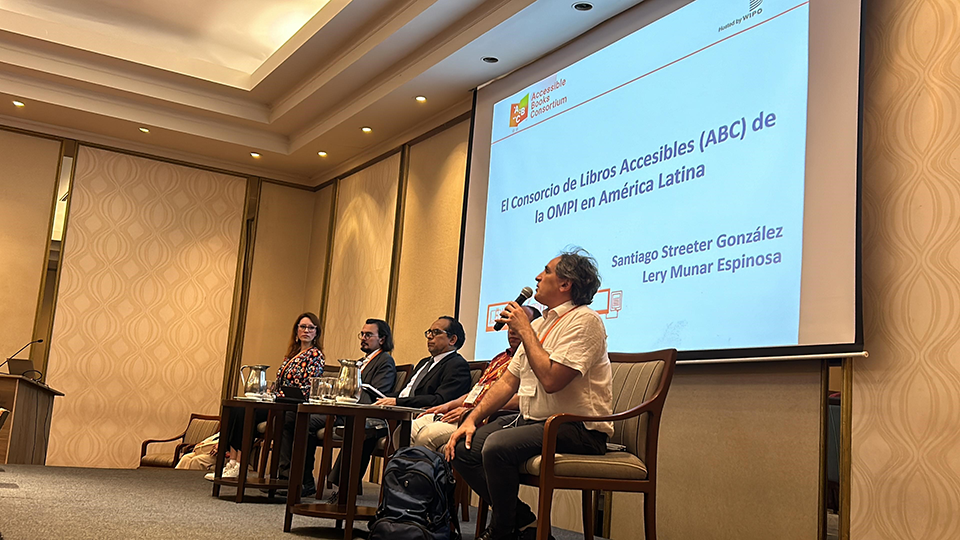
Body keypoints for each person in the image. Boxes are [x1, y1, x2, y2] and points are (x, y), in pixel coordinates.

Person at [446, 249, 613, 540]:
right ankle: (521, 522)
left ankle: (501, 531)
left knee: (497, 447)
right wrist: (471, 419)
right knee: (464, 447)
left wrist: (525, 330)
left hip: (577, 429)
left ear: (565, 285)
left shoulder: (586, 321)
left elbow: (551, 380)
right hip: (536, 422)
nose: (537, 277)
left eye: (546, 271)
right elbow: (508, 382)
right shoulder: (539, 324)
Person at [326, 316, 472, 500]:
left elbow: (440, 400)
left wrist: (397, 403)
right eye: (429, 332)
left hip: (418, 416)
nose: (429, 337)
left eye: (436, 333)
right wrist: (387, 399)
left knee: (365, 427)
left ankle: (349, 490)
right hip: (399, 411)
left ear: (453, 339)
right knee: (361, 422)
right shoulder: (424, 362)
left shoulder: (457, 365)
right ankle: (345, 488)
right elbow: (404, 393)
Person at [278, 318, 397, 497]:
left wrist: (346, 395)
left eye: (368, 335)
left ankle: (304, 481)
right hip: (339, 410)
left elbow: (377, 394)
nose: (363, 338)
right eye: (362, 334)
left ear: (382, 339)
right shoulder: (359, 362)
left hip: (355, 415)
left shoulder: (385, 361)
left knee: (302, 421)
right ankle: (289, 478)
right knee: (291, 417)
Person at [206, 312, 325, 481]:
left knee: (247, 413)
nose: (306, 330)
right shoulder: (292, 354)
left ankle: (240, 464)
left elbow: (307, 387)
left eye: (311, 328)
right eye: (303, 327)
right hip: (277, 400)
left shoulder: (315, 355)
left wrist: (277, 394)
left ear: (316, 332)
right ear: (296, 331)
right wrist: (270, 391)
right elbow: (279, 381)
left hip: (291, 405)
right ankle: (232, 462)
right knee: (237, 409)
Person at [409, 306, 540, 451]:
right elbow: (476, 391)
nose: (512, 330)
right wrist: (447, 406)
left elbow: (520, 398)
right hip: (463, 412)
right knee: (408, 430)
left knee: (426, 436)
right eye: (509, 325)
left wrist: (472, 412)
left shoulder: (533, 359)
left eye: (518, 325)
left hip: (484, 418)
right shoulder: (500, 357)